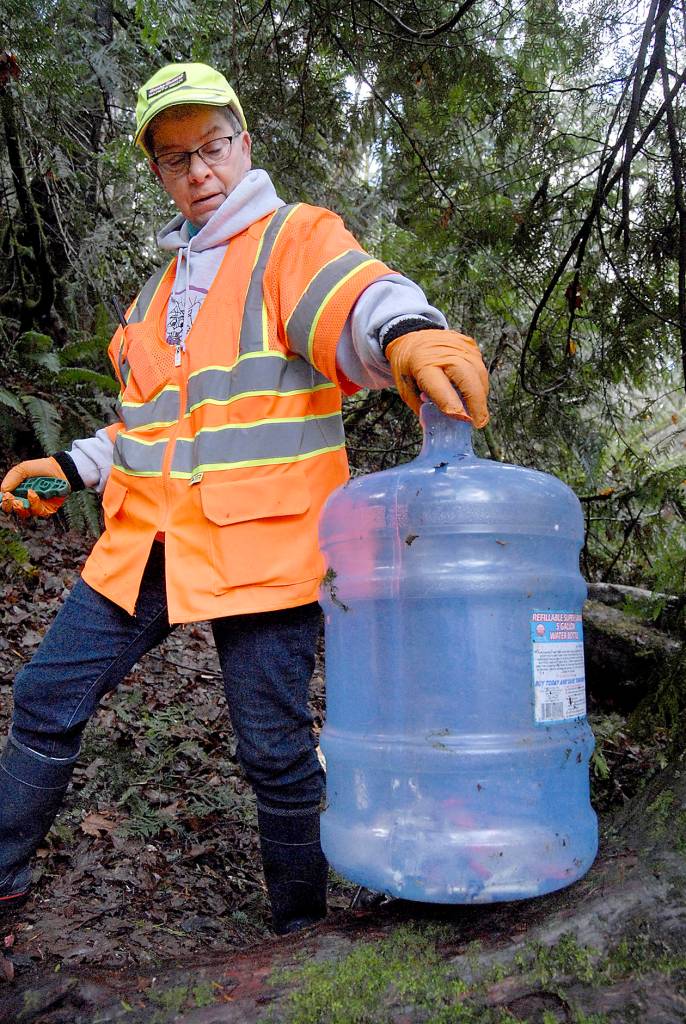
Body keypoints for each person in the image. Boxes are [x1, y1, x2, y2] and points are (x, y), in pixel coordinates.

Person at [0, 63, 489, 934]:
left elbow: (355, 296)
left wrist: (406, 332)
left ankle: (299, 934)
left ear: (243, 144)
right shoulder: (154, 296)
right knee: (44, 695)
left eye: (212, 147)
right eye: (176, 156)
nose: (199, 171)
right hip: (149, 542)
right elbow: (151, 426)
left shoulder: (286, 240)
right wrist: (73, 467)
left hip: (267, 548)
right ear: (157, 170)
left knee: (275, 752)